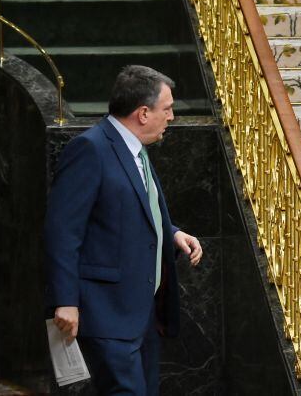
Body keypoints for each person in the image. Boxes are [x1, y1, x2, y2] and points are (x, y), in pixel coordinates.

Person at [44, 65, 203, 395]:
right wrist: (66, 301)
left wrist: (169, 231)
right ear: (143, 113)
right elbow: (62, 231)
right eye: (167, 108)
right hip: (105, 313)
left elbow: (126, 207)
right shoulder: (90, 150)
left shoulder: (136, 149)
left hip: (141, 312)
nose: (171, 117)